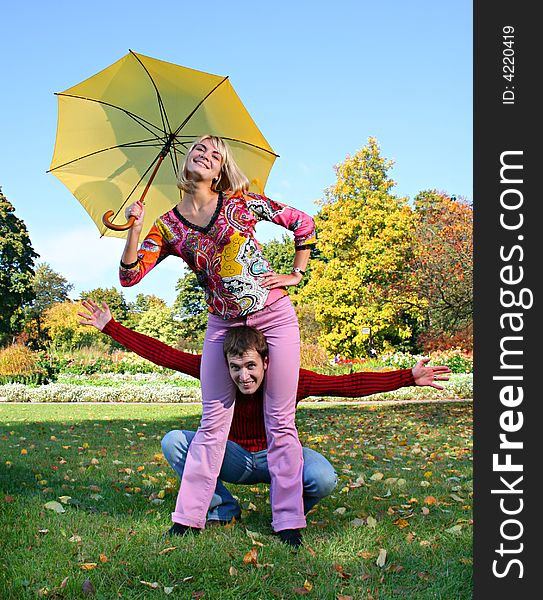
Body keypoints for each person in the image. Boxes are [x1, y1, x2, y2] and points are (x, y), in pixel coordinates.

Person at [79, 300, 452, 540]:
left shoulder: (290, 380)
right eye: (236, 367)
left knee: (323, 476)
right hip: (235, 457)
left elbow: (346, 384)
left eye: (251, 366)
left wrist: (407, 376)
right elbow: (164, 354)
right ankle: (224, 508)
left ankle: (284, 512)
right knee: (175, 440)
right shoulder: (216, 374)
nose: (244, 376)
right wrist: (111, 327)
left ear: (266, 362)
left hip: (278, 458)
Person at [118, 135, 317, 545]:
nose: (206, 156)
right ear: (186, 161)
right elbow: (129, 276)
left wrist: (296, 273)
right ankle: (188, 518)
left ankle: (289, 524)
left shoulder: (241, 203)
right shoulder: (168, 226)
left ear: (221, 169)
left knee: (280, 421)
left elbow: (303, 223)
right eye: (199, 150)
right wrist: (134, 230)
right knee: (212, 421)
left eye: (215, 154)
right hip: (223, 324)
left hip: (273, 315)